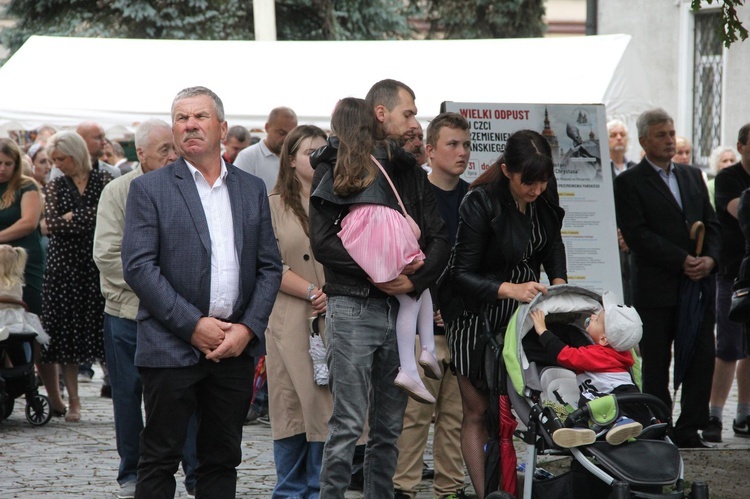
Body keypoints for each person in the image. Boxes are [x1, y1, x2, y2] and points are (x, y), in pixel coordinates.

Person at [121, 86, 282, 498]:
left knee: (221, 459)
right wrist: (192, 326)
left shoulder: (250, 189)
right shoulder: (150, 189)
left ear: (222, 128)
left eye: (200, 117)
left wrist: (246, 330)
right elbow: (139, 267)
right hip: (170, 345)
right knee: (158, 459)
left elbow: (268, 267)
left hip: (233, 349)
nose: (190, 124)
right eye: (181, 118)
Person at [309, 79, 449, 498]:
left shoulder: (409, 170)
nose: (415, 123)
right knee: (348, 426)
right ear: (382, 114)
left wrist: (413, 280)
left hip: (401, 307)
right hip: (353, 307)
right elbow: (323, 242)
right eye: (409, 113)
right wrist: (377, 273)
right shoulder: (336, 161)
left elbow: (439, 238)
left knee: (389, 430)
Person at [443, 129, 567, 498]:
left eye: (544, 181)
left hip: (520, 311)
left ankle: (511, 486)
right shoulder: (480, 201)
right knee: (478, 410)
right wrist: (509, 289)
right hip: (473, 314)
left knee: (512, 408)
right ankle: (486, 493)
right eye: (529, 183)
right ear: (507, 170)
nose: (537, 190)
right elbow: (460, 274)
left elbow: (553, 241)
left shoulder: (543, 190)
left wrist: (559, 282)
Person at [93, 119, 198, 499]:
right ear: (140, 154)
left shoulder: (188, 185)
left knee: (185, 393)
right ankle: (132, 471)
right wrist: (163, 286)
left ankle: (195, 472)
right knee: (129, 393)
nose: (173, 156)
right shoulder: (119, 191)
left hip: (180, 315)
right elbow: (107, 255)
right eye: (163, 151)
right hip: (128, 312)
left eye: (175, 148)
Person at [614, 108, 720, 449]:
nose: (670, 140)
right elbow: (637, 234)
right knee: (657, 362)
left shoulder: (692, 176)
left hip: (695, 288)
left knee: (702, 356)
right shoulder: (629, 182)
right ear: (644, 141)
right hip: (656, 288)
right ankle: (657, 426)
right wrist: (682, 259)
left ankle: (690, 428)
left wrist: (710, 259)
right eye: (661, 134)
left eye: (672, 133)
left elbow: (712, 223)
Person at [331, 97, 442, 404]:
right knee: (414, 290)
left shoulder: (338, 155)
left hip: (363, 231)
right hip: (385, 225)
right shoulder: (384, 152)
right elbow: (411, 158)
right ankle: (417, 358)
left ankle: (425, 353)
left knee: (415, 287)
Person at [394, 112, 470, 499]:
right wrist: (432, 304)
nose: (461, 152)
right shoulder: (415, 196)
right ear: (430, 150)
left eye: (466, 144)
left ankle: (449, 488)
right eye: (452, 144)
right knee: (415, 416)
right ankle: (403, 488)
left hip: (464, 325)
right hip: (424, 321)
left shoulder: (474, 198)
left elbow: (477, 263)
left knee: (456, 417)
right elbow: (408, 257)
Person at [264, 124, 331, 498]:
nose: (319, 159)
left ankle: (320, 489)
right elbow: (267, 263)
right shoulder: (272, 205)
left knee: (325, 410)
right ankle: (289, 492)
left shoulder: (338, 201)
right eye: (310, 152)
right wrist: (309, 290)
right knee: (292, 409)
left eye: (324, 152)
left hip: (335, 319)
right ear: (291, 160)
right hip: (290, 320)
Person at [39, 130, 113, 423]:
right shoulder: (56, 184)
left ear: (76, 154)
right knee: (65, 339)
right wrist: (84, 216)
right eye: (54, 159)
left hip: (96, 267)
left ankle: (122, 396)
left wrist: (74, 216)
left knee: (105, 335)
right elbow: (52, 225)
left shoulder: (104, 181)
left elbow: (107, 216)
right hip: (63, 270)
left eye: (62, 158)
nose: (58, 164)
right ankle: (74, 402)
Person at [529, 291, 644, 448]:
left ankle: (621, 421)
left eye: (598, 319)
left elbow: (566, 355)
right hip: (625, 397)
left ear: (604, 339)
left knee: (590, 400)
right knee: (588, 400)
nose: (593, 316)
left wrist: (543, 331)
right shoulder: (618, 352)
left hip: (617, 397)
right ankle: (582, 428)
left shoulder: (598, 355)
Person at [0, 138, 59, 413]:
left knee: (34, 324)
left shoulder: (26, 185)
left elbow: (28, 222)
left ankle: (53, 396)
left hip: (25, 262)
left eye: (7, 163)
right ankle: (12, 381)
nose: (2, 168)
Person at [704, 123, 750, 443]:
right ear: (741, 146)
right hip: (733, 272)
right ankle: (714, 415)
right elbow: (740, 212)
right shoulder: (728, 178)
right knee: (729, 346)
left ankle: (744, 414)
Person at [235, 107, 298, 191]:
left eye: (291, 134)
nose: (286, 139)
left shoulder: (297, 157)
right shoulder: (247, 157)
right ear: (267, 127)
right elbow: (238, 193)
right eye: (281, 133)